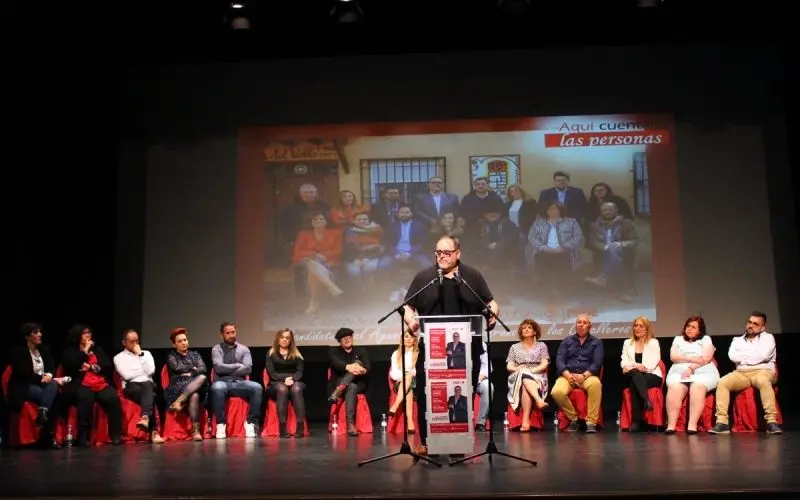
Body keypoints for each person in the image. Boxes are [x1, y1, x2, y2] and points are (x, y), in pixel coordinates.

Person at [403, 235, 499, 456]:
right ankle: (426, 441)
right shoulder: (424, 277)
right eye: (438, 252)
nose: (442, 257)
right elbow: (408, 306)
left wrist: (493, 314)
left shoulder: (472, 276)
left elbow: (490, 302)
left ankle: (459, 442)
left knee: (463, 393)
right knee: (427, 394)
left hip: (469, 347)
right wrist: (410, 321)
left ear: (458, 253)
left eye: (447, 253)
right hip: (433, 348)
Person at [327, 327, 372, 436]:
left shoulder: (361, 351)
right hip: (339, 380)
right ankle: (351, 425)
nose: (347, 339)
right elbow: (336, 363)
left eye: (349, 337)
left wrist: (361, 369)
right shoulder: (333, 351)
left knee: (358, 363)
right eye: (344, 338)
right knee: (351, 386)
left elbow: (368, 367)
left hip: (358, 382)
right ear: (339, 341)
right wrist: (349, 367)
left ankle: (338, 391)